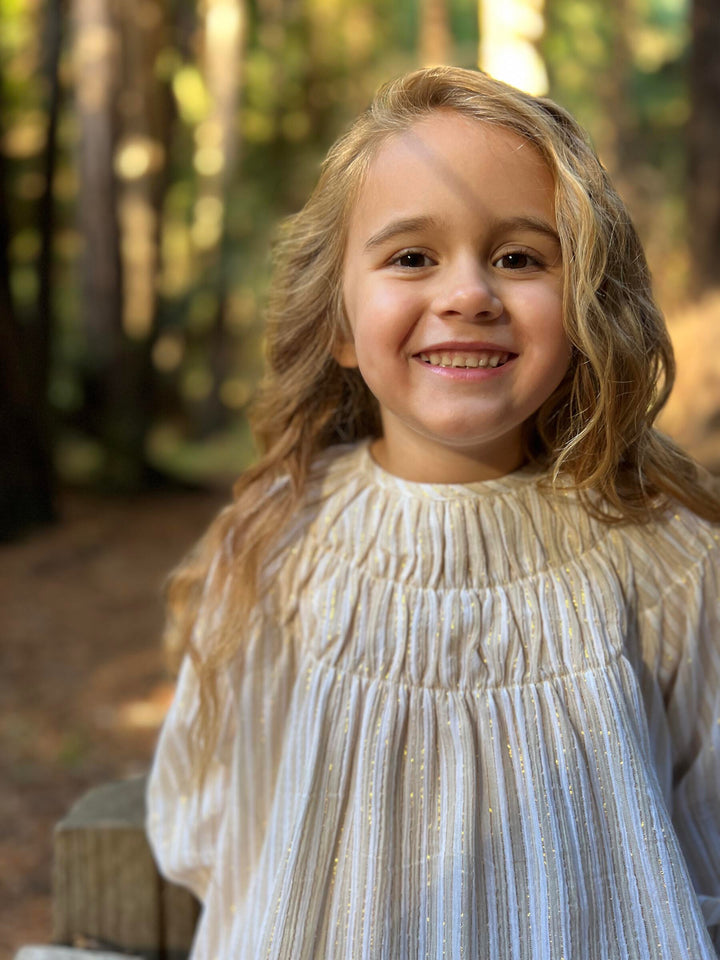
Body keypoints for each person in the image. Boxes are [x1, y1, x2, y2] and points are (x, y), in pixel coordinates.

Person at [146, 66, 720, 959]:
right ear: (338, 318)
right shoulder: (279, 540)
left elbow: (709, 834)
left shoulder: (668, 563)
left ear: (587, 306)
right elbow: (212, 826)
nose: (469, 295)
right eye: (412, 257)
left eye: (521, 257)